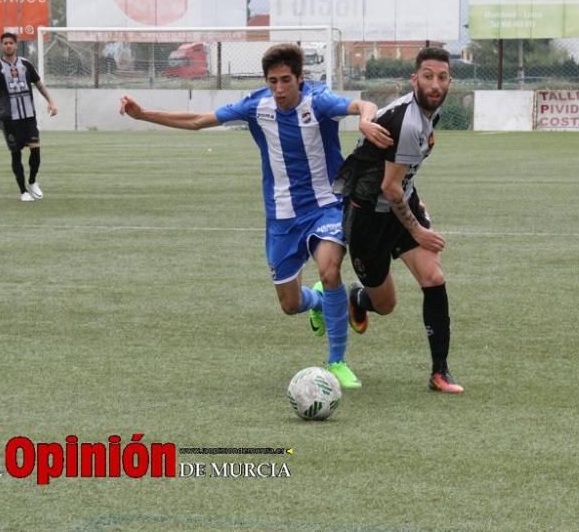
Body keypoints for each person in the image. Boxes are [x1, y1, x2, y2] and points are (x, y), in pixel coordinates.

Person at [119, 43, 392, 390]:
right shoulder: (256, 105)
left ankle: (337, 361)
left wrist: (366, 120)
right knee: (290, 304)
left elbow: (363, 104)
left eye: (286, 81)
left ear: (300, 78)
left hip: (326, 205)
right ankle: (320, 301)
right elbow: (199, 121)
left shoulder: (319, 101)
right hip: (281, 216)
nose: (279, 89)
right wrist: (143, 115)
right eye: (273, 81)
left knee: (330, 268)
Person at [332, 46, 464, 394]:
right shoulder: (408, 121)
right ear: (414, 79)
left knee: (433, 276)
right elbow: (390, 188)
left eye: (442, 77)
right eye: (427, 76)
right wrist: (419, 229)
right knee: (385, 304)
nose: (435, 84)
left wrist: (415, 202)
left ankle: (440, 372)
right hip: (368, 220)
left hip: (399, 200)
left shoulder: (427, 110)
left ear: (450, 80)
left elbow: (397, 181)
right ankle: (358, 298)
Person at [0, 32, 58, 202]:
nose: (8, 45)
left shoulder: (26, 64)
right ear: (2, 46)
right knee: (16, 155)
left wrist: (51, 101)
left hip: (28, 116)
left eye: (11, 43)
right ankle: (23, 191)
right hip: (8, 118)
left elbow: (39, 84)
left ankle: (33, 181)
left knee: (36, 149)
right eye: (5, 43)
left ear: (16, 45)